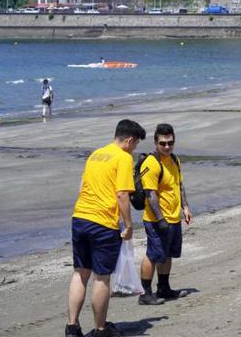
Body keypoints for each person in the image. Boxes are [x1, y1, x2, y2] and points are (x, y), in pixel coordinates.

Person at [67, 119, 145, 337]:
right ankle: (101, 329)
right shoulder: (123, 158)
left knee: (80, 273)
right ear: (129, 140)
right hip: (102, 223)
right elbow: (122, 194)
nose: (135, 148)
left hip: (80, 217)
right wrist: (128, 225)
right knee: (101, 277)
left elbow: (82, 186)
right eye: (136, 143)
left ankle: (72, 328)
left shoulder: (96, 154)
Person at [138, 123, 193, 305]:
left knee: (167, 254)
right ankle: (145, 293)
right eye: (163, 143)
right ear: (155, 142)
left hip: (174, 216)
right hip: (156, 219)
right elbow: (150, 194)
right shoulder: (152, 163)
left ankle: (164, 288)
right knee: (153, 255)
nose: (167, 147)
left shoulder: (175, 160)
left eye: (170, 143)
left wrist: (185, 207)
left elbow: (179, 185)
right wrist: (160, 220)